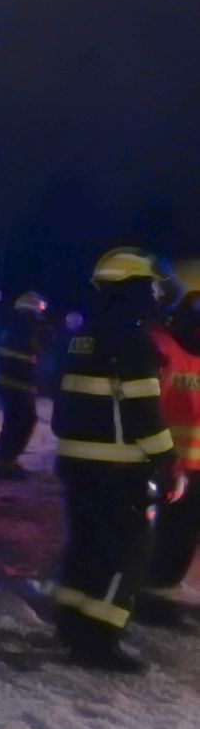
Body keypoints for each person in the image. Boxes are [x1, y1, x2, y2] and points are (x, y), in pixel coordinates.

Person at [49, 247, 183, 673]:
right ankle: (100, 639)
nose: (160, 296)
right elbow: (144, 413)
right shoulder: (133, 339)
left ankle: (71, 625)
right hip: (119, 468)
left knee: (87, 547)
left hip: (76, 464)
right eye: (154, 287)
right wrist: (167, 461)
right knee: (128, 554)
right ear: (137, 289)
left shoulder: (82, 335)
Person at [138, 258, 200, 627]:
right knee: (170, 538)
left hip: (190, 467)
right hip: (167, 466)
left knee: (181, 538)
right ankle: (154, 601)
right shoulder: (157, 347)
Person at [0, 291, 50, 480]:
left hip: (17, 383)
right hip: (17, 384)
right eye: (39, 312)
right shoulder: (24, 327)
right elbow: (30, 353)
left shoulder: (17, 325)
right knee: (17, 423)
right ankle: (3, 466)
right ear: (32, 311)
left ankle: (7, 462)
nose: (41, 316)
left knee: (20, 422)